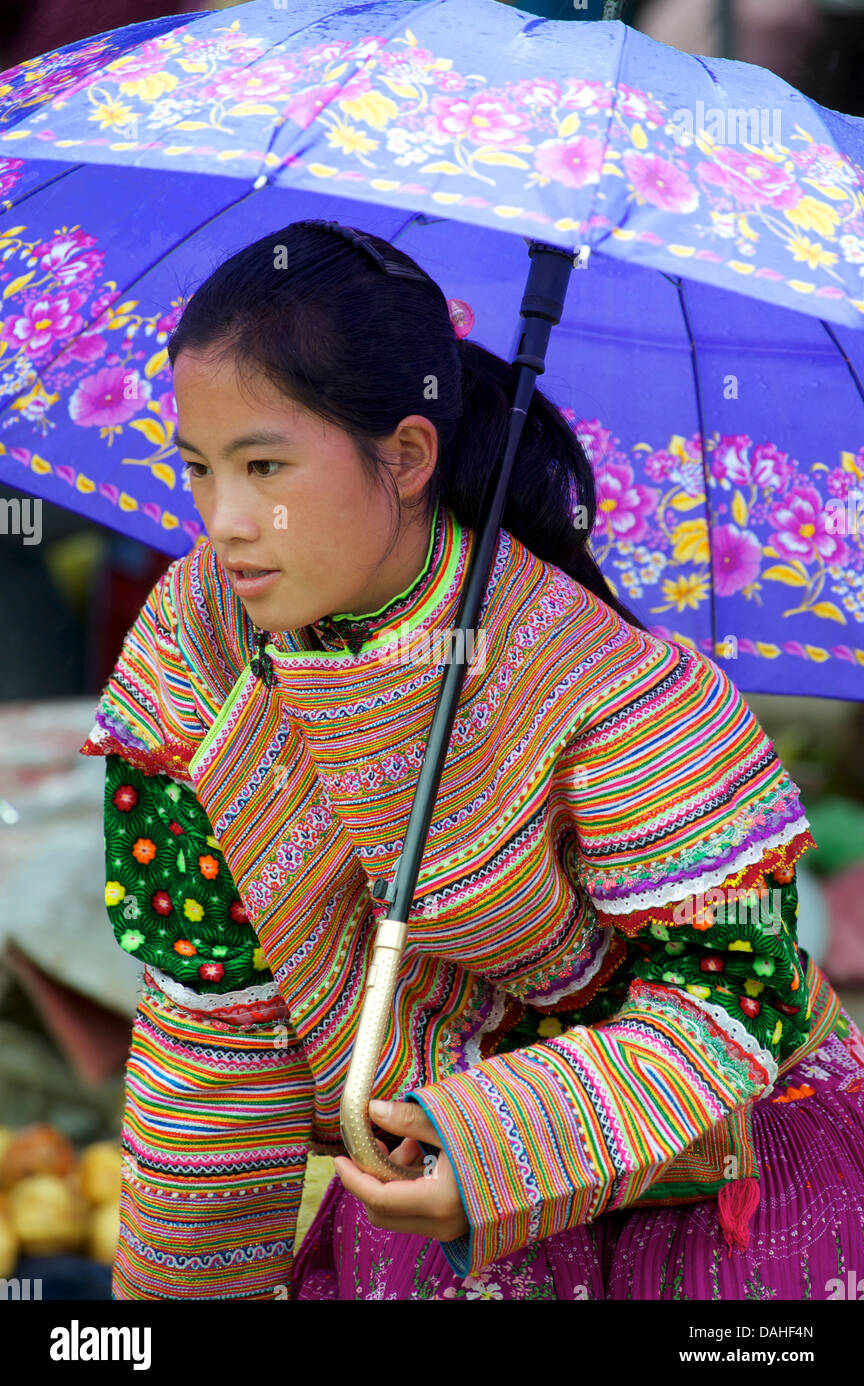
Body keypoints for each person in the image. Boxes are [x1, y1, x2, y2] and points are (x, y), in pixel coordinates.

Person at [81, 220, 864, 1301]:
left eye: (264, 465)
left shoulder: (607, 686)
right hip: (414, 1175)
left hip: (708, 1193)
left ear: (405, 455)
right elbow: (211, 997)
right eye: (199, 467)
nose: (223, 521)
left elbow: (732, 987)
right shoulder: (197, 650)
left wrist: (495, 1149)